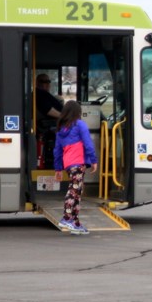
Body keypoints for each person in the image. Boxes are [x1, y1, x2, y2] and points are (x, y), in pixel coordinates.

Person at [53, 100, 98, 234]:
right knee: (74, 191)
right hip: (78, 162)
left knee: (77, 192)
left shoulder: (61, 129)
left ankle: (75, 222)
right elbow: (88, 143)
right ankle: (66, 218)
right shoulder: (80, 125)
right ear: (78, 112)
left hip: (68, 164)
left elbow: (57, 151)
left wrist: (58, 168)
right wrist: (94, 160)